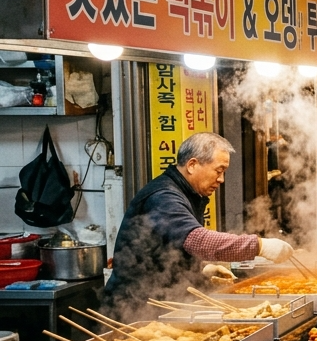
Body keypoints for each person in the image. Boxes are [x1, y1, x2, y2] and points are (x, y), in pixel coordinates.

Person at [104, 132, 293, 312]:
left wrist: (201, 268)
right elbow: (198, 241)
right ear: (192, 165)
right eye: (219, 171)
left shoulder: (185, 192)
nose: (221, 179)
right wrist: (259, 246)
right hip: (134, 307)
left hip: (162, 300)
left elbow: (169, 249)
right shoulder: (164, 197)